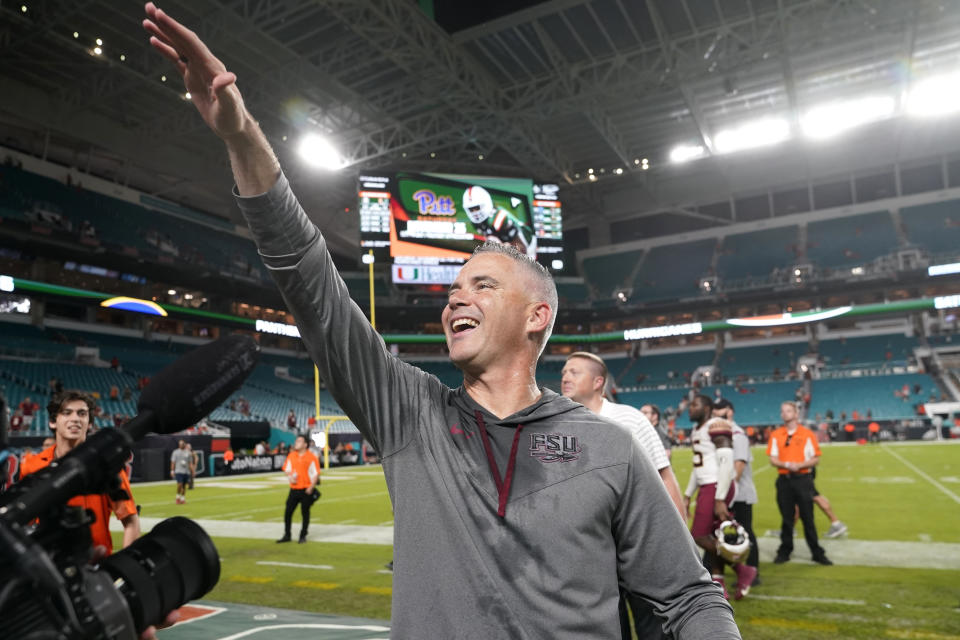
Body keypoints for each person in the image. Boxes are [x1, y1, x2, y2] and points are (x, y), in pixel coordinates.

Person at [142, 6, 740, 637]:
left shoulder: (610, 447)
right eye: (453, 290)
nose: (456, 298)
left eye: (482, 284)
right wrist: (240, 136)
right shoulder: (412, 415)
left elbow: (684, 600)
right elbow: (309, 281)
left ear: (538, 317)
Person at [560, 352, 686, 640]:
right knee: (609, 629)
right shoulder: (559, 424)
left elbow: (664, 476)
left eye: (575, 372)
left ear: (598, 382)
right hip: (593, 553)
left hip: (638, 544)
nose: (565, 377)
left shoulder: (628, 418)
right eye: (565, 371)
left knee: (654, 627)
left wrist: (681, 538)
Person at [20, 391, 141, 555]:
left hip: (95, 568)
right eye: (67, 413)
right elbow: (22, 525)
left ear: (89, 423)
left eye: (82, 414)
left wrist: (123, 566)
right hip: (48, 570)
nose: (75, 418)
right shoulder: (31, 466)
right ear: (53, 422)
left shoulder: (108, 466)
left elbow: (131, 522)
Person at [683, 395, 757, 600]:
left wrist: (720, 497)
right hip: (709, 484)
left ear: (707, 408)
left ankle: (742, 570)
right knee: (714, 537)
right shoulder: (697, 429)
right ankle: (719, 582)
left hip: (717, 485)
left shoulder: (716, 425)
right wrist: (688, 494)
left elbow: (726, 463)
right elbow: (699, 465)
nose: (690, 408)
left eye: (695, 405)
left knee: (699, 536)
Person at [766, 401, 833, 565]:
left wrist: (800, 465)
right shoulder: (776, 434)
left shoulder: (807, 434)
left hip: (803, 480)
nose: (785, 414)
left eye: (788, 411)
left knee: (808, 518)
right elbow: (773, 459)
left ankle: (816, 552)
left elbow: (815, 458)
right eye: (783, 411)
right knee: (787, 518)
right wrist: (787, 464)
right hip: (784, 480)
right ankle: (785, 551)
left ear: (796, 413)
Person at [712, 399, 760, 587]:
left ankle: (752, 571)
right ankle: (719, 572)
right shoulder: (723, 433)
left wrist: (724, 495)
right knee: (721, 533)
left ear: (730, 412)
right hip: (728, 493)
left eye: (721, 412)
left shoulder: (738, 435)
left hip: (739, 494)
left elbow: (738, 467)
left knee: (745, 531)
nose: (717, 415)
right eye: (715, 412)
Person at [462, 185, 537, 258]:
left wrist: (502, 248)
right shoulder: (475, 223)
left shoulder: (499, 218)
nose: (475, 213)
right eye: (471, 209)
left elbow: (522, 249)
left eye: (477, 208)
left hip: (528, 244)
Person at [278, 434, 321, 544]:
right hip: (294, 489)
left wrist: (311, 487)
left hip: (306, 489)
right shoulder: (292, 455)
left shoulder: (311, 457)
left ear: (305, 444)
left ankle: (303, 535)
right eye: (296, 441)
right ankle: (287, 534)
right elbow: (287, 469)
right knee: (288, 512)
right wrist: (290, 477)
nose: (296, 443)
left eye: (299, 441)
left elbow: (316, 474)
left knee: (305, 513)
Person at [170, 439, 192, 504]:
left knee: (184, 486)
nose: (181, 445)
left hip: (186, 471)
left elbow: (190, 462)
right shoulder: (175, 452)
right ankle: (177, 497)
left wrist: (192, 470)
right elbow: (173, 462)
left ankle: (182, 498)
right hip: (178, 471)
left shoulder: (188, 452)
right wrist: (172, 471)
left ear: (184, 444)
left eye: (182, 444)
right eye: (180, 444)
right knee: (180, 484)